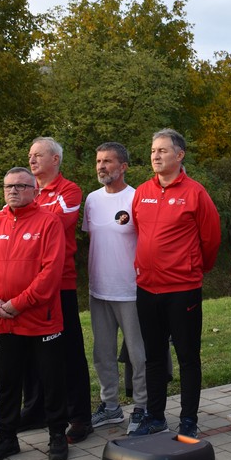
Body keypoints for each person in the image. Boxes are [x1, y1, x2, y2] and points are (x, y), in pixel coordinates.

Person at [130, 128, 221, 438]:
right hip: (147, 288)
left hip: (183, 290)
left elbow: (211, 239)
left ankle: (188, 420)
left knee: (187, 357)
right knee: (154, 357)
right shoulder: (142, 191)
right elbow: (140, 231)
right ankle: (155, 416)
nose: (155, 156)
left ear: (179, 155)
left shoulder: (195, 193)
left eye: (163, 150)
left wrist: (193, 268)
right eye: (153, 150)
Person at [0, 167, 69, 460]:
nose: (13, 191)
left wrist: (18, 303)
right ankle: (7, 438)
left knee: (51, 380)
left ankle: (57, 434)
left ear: (34, 191)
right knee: (7, 382)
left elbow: (50, 273)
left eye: (20, 186)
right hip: (4, 321)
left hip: (41, 319)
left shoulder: (49, 222)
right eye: (8, 186)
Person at [22, 137, 93, 444]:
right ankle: (36, 410)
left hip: (59, 283)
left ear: (55, 159)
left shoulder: (69, 190)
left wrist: (27, 222)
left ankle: (79, 417)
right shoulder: (26, 189)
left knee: (68, 352)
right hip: (27, 284)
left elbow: (52, 225)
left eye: (38, 155)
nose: (32, 160)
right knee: (29, 351)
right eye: (30, 155)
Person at [82, 142, 148, 435]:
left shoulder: (136, 198)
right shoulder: (92, 200)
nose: (101, 166)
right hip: (99, 290)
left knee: (138, 355)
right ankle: (110, 407)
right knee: (102, 353)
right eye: (99, 161)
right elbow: (95, 241)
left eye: (108, 161)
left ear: (123, 167)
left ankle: (143, 408)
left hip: (130, 290)